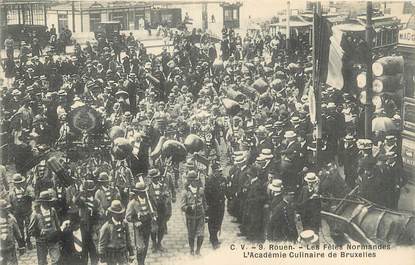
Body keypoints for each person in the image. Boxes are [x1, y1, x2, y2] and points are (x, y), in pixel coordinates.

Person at [126, 181, 156, 265]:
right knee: (140, 248)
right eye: (141, 192)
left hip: (148, 225)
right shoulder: (133, 203)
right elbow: (127, 217)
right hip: (139, 227)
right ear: (137, 192)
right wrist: (135, 221)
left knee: (145, 245)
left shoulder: (149, 200)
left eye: (144, 191)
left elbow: (154, 209)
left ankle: (142, 261)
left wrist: (153, 215)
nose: (143, 193)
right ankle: (140, 263)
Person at [28, 190, 61, 265]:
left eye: (50, 201)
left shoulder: (52, 210)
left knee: (56, 259)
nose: (49, 204)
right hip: (41, 241)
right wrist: (39, 232)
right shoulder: (36, 214)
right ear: (42, 202)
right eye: (47, 202)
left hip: (53, 239)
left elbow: (57, 224)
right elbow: (30, 230)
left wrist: (58, 235)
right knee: (42, 261)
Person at [98, 200, 134, 265]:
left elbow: (128, 239)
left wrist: (131, 253)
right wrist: (102, 259)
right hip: (111, 256)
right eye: (118, 214)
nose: (120, 215)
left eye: (121, 213)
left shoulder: (125, 224)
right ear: (112, 214)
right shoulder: (106, 227)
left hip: (123, 254)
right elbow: (102, 245)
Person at [181, 170, 207, 255]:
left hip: (200, 215)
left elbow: (204, 202)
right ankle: (191, 249)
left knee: (201, 234)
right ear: (189, 181)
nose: (195, 182)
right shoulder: (185, 192)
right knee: (191, 235)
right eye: (193, 180)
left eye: (196, 180)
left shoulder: (201, 190)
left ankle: (198, 250)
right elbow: (182, 206)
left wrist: (206, 214)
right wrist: (190, 207)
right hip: (191, 217)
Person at [8, 174, 34, 250]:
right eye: (16, 183)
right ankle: (22, 243)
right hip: (17, 214)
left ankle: (28, 240)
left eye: (20, 182)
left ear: (22, 182)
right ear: (14, 184)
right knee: (20, 228)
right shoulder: (11, 193)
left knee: (29, 227)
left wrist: (27, 195)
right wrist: (11, 213)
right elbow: (10, 204)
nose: (18, 184)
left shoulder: (27, 190)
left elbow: (33, 197)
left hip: (27, 212)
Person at [205, 161, 227, 249]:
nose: (220, 172)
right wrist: (208, 206)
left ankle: (213, 236)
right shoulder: (209, 180)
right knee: (213, 222)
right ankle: (214, 240)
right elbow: (207, 195)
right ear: (214, 171)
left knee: (219, 221)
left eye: (220, 171)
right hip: (213, 205)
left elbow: (225, 189)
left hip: (221, 204)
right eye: (218, 171)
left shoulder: (222, 179)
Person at [0, 199, 25, 265]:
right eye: (3, 209)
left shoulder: (11, 219)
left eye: (6, 209)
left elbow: (17, 234)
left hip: (11, 247)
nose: (6, 211)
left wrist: (21, 246)